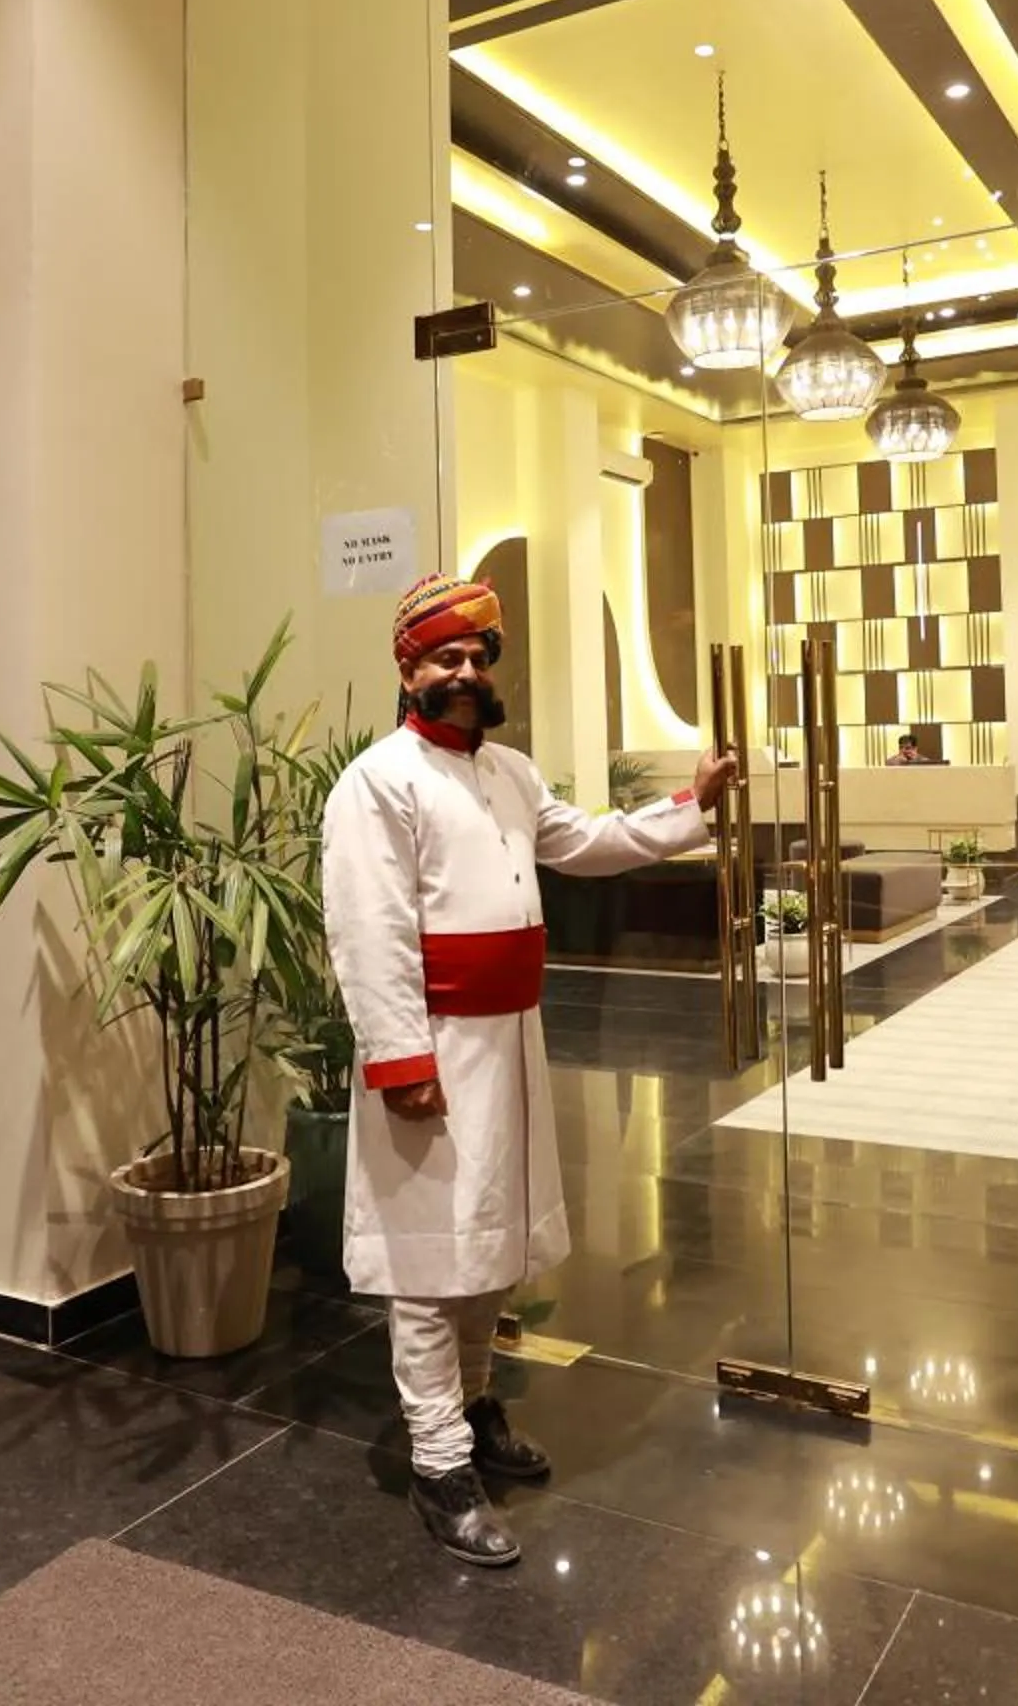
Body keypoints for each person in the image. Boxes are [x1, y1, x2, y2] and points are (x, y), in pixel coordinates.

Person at [322, 572, 741, 1566]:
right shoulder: (376, 781)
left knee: (486, 1253)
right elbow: (368, 931)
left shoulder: (508, 773)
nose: (465, 672)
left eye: (478, 657)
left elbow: (587, 839)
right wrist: (401, 1061)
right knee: (429, 1262)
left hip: (509, 1044)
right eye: (445, 657)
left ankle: (473, 1408)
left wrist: (692, 804)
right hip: (431, 1047)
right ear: (407, 667)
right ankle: (437, 1462)